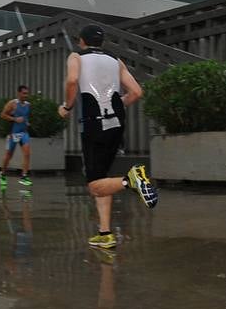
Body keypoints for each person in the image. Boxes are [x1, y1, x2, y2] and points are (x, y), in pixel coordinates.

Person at [58, 24, 157, 248]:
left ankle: (131, 180)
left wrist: (67, 106)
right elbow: (137, 92)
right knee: (102, 178)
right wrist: (118, 106)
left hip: (94, 125)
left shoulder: (77, 56)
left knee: (94, 186)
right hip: (116, 124)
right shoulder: (116, 60)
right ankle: (105, 233)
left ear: (81, 41)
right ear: (101, 42)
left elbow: (72, 81)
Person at [0, 86, 34, 188]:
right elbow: (2, 115)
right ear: (18, 93)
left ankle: (24, 176)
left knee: (27, 153)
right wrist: (14, 119)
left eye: (27, 93)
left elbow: (25, 117)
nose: (26, 95)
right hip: (13, 134)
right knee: (9, 155)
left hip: (24, 133)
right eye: (24, 93)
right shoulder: (12, 104)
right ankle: (3, 174)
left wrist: (27, 122)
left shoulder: (28, 105)